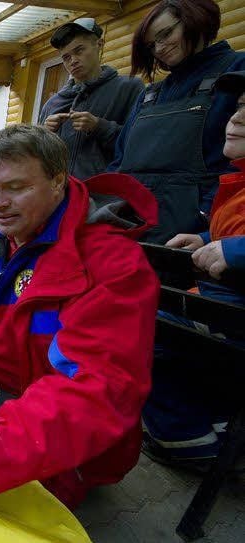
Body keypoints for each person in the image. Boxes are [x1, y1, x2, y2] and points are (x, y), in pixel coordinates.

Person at [0, 124, 159, 509]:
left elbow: (98, 392)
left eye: (16, 187)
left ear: (57, 182)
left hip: (45, 419)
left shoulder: (113, 266)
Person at [141, 70, 245, 470]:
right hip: (221, 309)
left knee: (138, 327)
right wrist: (206, 238)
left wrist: (236, 251)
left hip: (232, 317)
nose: (234, 119)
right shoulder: (237, 180)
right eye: (237, 109)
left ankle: (183, 438)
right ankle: (213, 422)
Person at [108, 0, 245, 244]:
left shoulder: (237, 70)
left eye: (166, 33)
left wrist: (207, 225)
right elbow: (119, 162)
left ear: (196, 19)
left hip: (198, 237)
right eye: (151, 45)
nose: (159, 48)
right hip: (133, 232)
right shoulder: (149, 95)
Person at [39, 17, 143, 181]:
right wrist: (44, 134)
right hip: (60, 196)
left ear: (99, 45)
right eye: (66, 57)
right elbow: (36, 157)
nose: (73, 61)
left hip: (107, 197)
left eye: (79, 50)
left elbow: (142, 145)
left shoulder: (128, 89)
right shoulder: (53, 104)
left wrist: (99, 127)